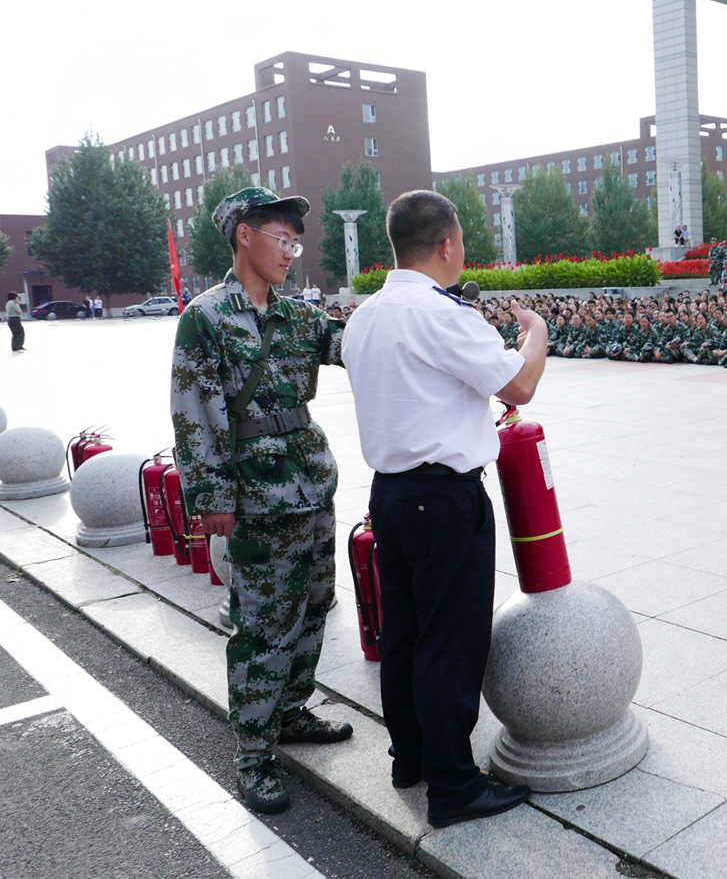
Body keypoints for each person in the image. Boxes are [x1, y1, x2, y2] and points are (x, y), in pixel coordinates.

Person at [342, 189, 543, 829]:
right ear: (447, 244)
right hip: (443, 499)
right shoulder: (441, 314)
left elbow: (419, 395)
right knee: (450, 642)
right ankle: (454, 787)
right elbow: (521, 384)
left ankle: (413, 758)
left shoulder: (364, 317)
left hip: (391, 495)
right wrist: (535, 334)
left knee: (405, 633)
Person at [169, 186, 351, 815]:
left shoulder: (300, 315)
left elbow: (352, 347)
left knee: (315, 605)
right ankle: (252, 753)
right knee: (262, 626)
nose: (291, 253)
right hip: (253, 496)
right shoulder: (206, 317)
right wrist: (211, 496)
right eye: (282, 239)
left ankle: (293, 712)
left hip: (309, 484)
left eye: (295, 242)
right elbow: (194, 412)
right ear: (244, 235)